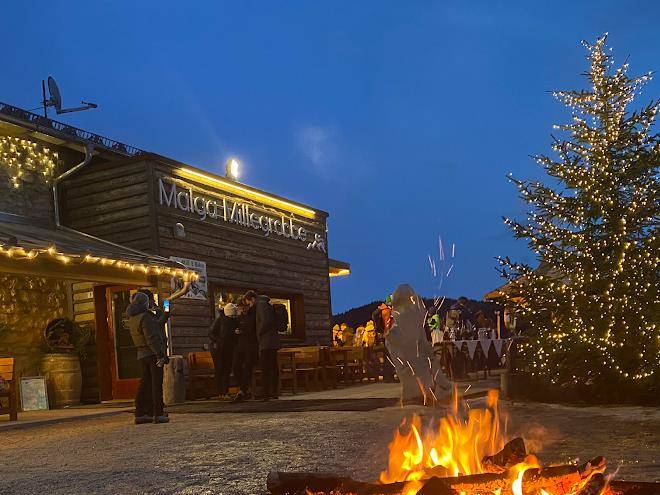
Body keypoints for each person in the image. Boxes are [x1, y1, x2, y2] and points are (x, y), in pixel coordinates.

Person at [127, 291, 169, 424]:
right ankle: (158, 413)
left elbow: (158, 323)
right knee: (156, 384)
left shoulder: (133, 317)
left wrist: (166, 308)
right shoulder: (145, 317)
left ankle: (141, 413)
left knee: (145, 384)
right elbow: (151, 337)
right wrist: (160, 355)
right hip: (152, 354)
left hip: (142, 354)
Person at [232, 291, 258, 402]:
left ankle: (243, 391)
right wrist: (236, 332)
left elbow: (254, 329)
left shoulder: (253, 315)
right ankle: (244, 389)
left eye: (244, 307)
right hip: (240, 345)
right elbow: (234, 329)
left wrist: (244, 331)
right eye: (240, 308)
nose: (243, 310)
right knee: (235, 366)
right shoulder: (239, 318)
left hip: (250, 345)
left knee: (247, 367)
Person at [209, 303, 240, 399]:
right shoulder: (220, 320)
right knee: (221, 369)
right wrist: (219, 341)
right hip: (219, 349)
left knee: (226, 369)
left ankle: (224, 391)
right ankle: (221, 392)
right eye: (231, 315)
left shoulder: (230, 320)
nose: (232, 317)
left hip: (227, 348)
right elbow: (211, 333)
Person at [254, 293, 280, 401]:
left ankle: (265, 392)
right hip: (273, 341)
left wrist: (259, 333)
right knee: (273, 367)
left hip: (266, 342)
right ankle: (274, 391)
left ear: (253, 299)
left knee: (265, 368)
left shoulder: (261, 305)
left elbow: (265, 321)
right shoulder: (268, 305)